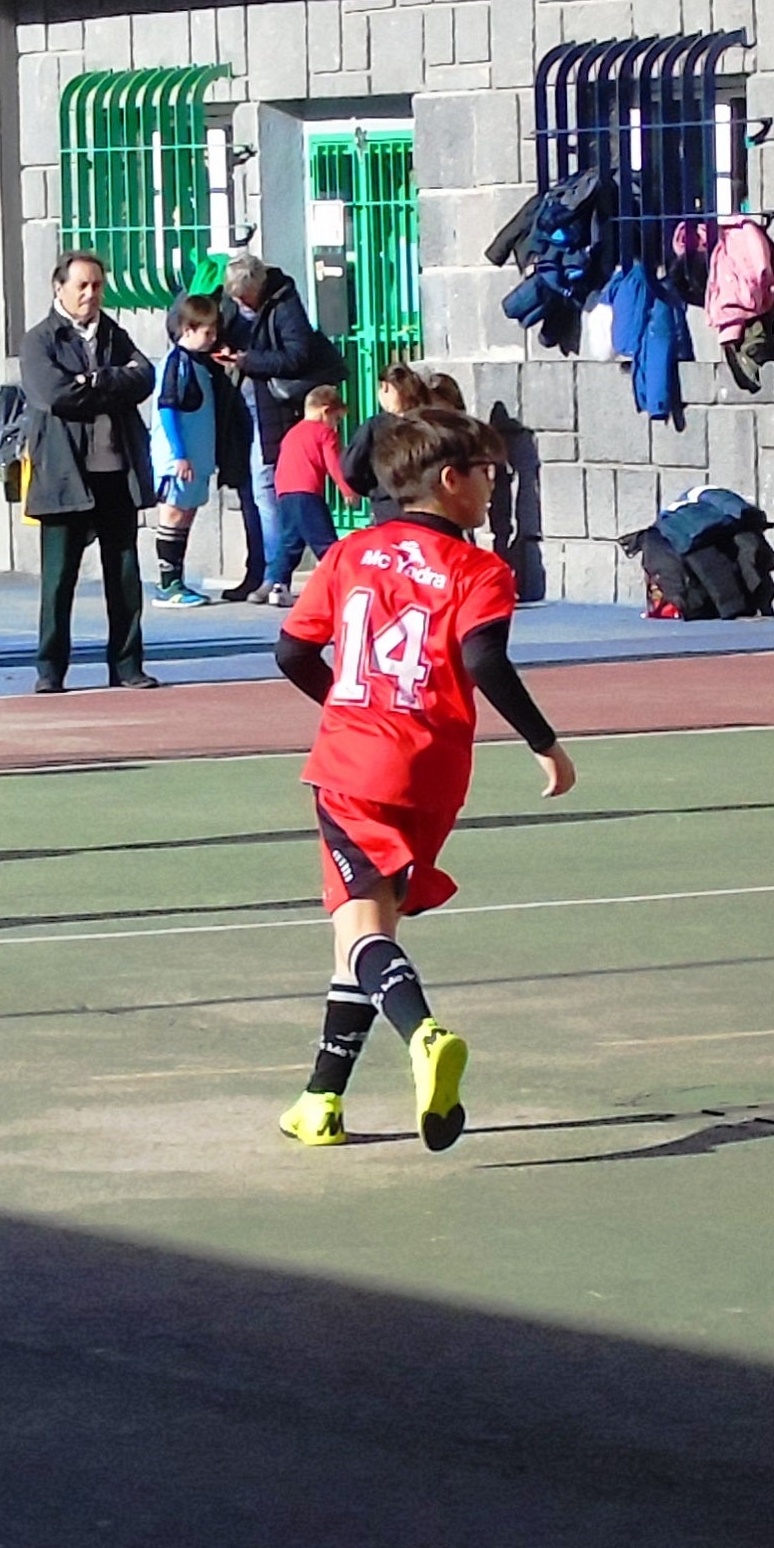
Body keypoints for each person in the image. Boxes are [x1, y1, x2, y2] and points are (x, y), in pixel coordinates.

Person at [272, 407, 577, 1150]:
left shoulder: (350, 555)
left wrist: (351, 699)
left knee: (362, 934)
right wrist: (543, 743)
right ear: (450, 482)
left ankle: (424, 1035)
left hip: (354, 762)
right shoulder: (480, 569)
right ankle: (320, 1101)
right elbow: (483, 659)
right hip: (435, 771)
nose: (492, 486)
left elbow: (289, 653)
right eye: (487, 474)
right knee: (365, 931)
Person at [21, 251, 162, 692]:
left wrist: (97, 381)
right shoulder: (40, 340)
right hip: (64, 477)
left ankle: (127, 665)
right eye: (82, 285)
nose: (90, 294)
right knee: (59, 579)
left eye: (97, 285)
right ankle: (50, 670)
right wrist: (106, 385)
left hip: (117, 474)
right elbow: (56, 395)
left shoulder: (114, 335)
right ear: (59, 287)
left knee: (124, 576)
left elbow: (144, 378)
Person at [220, 253, 346, 601]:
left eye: (244, 298)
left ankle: (273, 578)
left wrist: (248, 360)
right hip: (236, 407)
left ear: (258, 287)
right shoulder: (228, 299)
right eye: (234, 297)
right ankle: (262, 572)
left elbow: (297, 355)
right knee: (249, 488)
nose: (238, 303)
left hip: (269, 406)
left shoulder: (284, 302)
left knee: (265, 487)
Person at [149, 293, 223, 607]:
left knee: (187, 515)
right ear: (188, 329)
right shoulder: (175, 363)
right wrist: (179, 453)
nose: (213, 338)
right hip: (177, 458)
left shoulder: (201, 364)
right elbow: (167, 408)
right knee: (173, 513)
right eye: (207, 332)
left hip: (198, 456)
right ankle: (168, 583)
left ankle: (178, 578)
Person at [263, 383, 358, 606]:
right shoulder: (325, 433)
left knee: (290, 542)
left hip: (286, 493)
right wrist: (347, 489)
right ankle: (343, 585)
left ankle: (278, 585)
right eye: (337, 419)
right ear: (326, 412)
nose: (336, 425)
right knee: (325, 542)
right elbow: (333, 463)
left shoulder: (292, 434)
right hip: (308, 493)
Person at [340, 362, 430, 509]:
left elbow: (351, 467)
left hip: (387, 503)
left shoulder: (376, 426)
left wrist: (373, 489)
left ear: (386, 387)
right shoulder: (428, 422)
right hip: (424, 503)